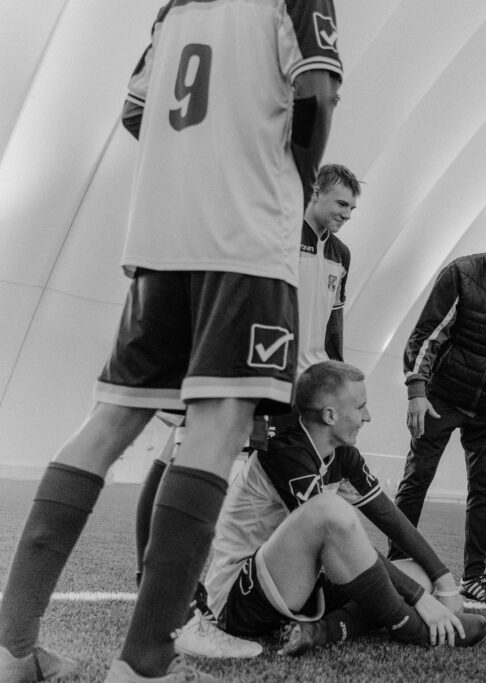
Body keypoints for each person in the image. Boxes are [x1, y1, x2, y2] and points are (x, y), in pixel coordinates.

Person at [0, 1, 342, 681]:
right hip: (244, 237)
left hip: (160, 235)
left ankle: (11, 649)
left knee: (109, 421)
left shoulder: (173, 9)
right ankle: (145, 665)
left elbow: (136, 111)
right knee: (218, 426)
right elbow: (316, 91)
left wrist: (192, 158)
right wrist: (285, 178)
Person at [131, 163, 363, 659]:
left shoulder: (340, 254)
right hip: (250, 370)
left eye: (352, 207)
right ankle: (159, 585)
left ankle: (279, 581)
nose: (346, 214)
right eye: (340, 203)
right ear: (314, 192)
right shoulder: (273, 231)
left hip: (301, 385)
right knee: (186, 458)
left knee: (254, 482)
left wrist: (339, 379)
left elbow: (332, 325)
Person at [202, 361, 486, 654]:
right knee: (329, 511)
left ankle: (318, 632)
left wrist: (444, 580)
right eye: (361, 407)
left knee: (419, 572)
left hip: (296, 587)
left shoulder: (341, 452)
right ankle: (413, 629)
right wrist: (418, 600)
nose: (368, 416)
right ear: (330, 415)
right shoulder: (285, 450)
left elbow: (388, 516)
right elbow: (340, 537)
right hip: (238, 600)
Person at [388, 214, 486, 606]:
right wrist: (416, 390)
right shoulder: (460, 274)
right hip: (440, 398)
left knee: (484, 491)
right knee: (417, 479)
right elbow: (427, 335)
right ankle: (397, 565)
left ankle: (475, 576)